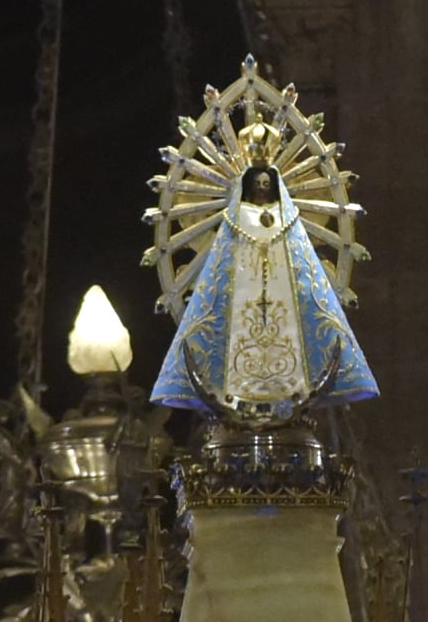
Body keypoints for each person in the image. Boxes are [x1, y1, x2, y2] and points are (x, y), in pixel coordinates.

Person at [151, 112, 377, 418]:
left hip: (284, 292)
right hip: (242, 290)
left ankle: (290, 386)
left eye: (265, 182)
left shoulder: (288, 220)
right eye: (256, 183)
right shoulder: (236, 217)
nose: (260, 188)